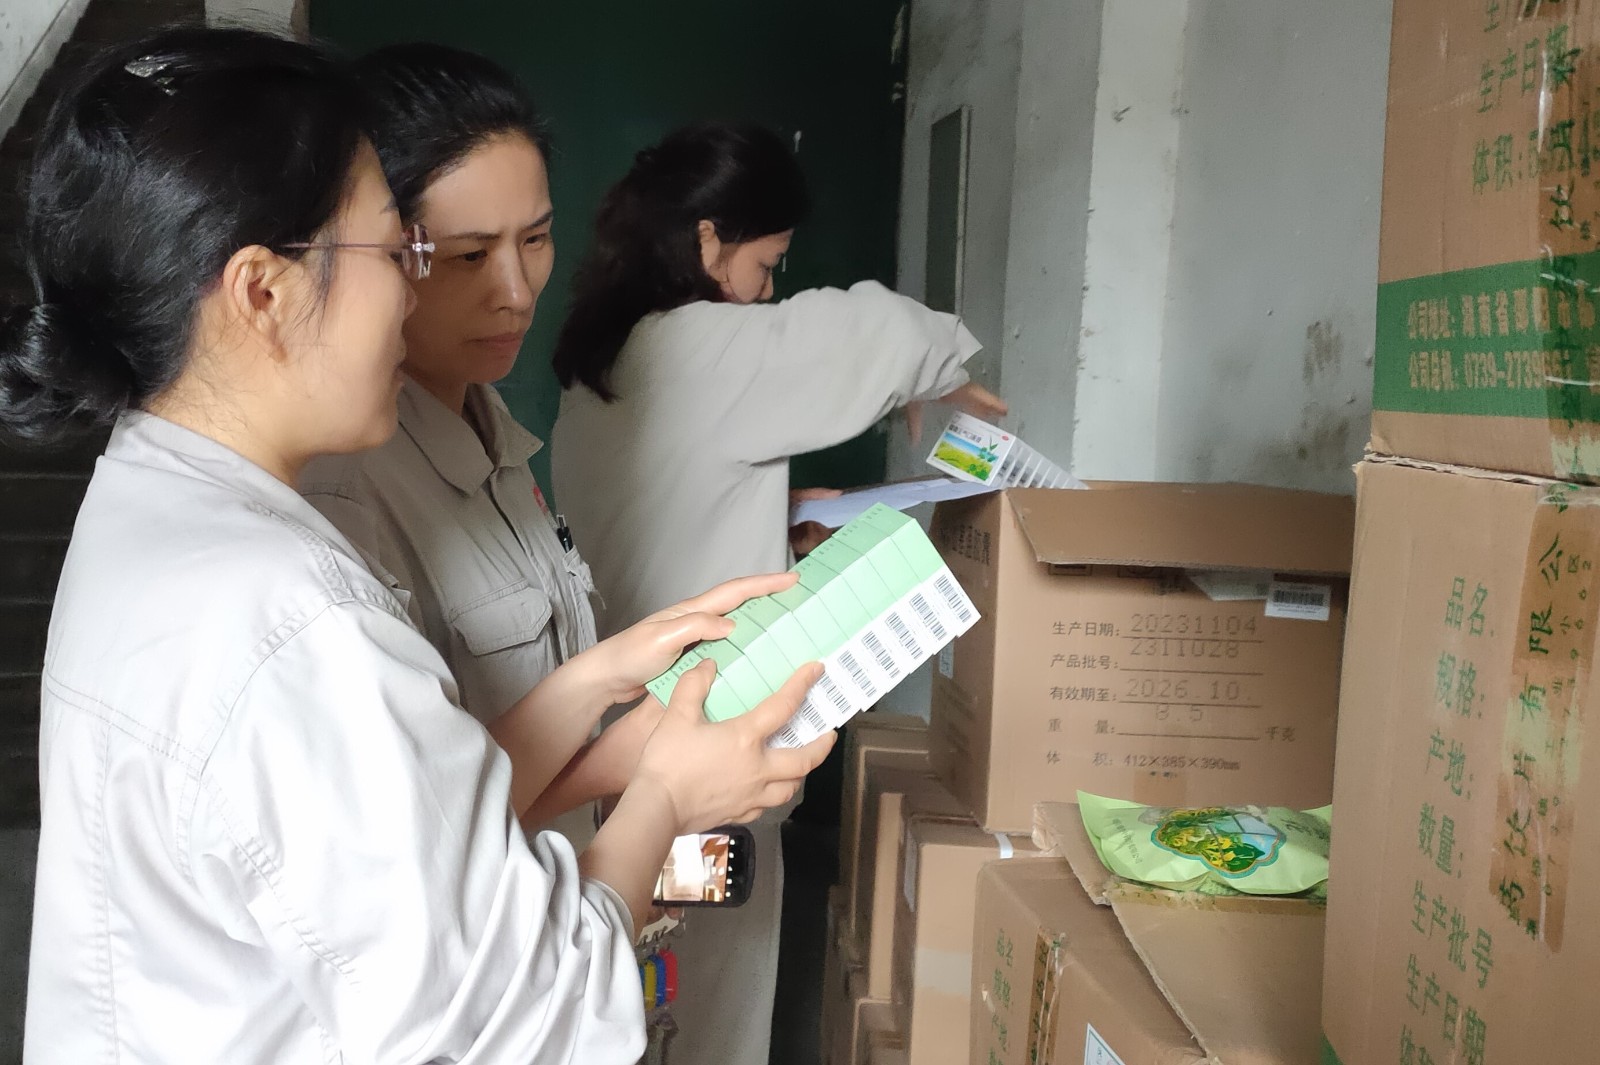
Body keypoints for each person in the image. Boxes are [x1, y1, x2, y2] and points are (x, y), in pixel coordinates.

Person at [5, 29, 829, 1064]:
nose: (415, 289)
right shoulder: (289, 613)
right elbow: (535, 1012)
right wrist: (666, 797)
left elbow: (383, 828)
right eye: (401, 253)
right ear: (263, 292)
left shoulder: (155, 495)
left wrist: (593, 686)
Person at [550, 121, 1004, 1065]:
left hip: (619, 734)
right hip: (696, 746)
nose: (768, 291)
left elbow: (655, 506)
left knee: (641, 1004)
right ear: (708, 240)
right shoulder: (702, 343)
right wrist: (946, 372)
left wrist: (773, 511)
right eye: (767, 263)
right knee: (702, 1013)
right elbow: (873, 332)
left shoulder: (609, 357)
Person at [300, 44, 613, 833]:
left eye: (536, 239)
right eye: (469, 255)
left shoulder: (494, 428)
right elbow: (402, 825)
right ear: (379, 250)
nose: (516, 293)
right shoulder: (343, 487)